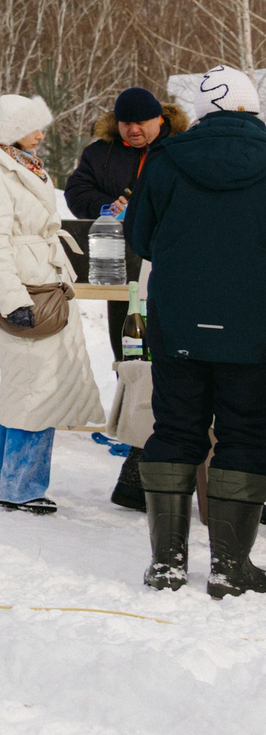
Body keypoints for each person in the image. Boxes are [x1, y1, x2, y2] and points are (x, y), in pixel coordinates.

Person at [126, 63, 266, 596]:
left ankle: (167, 564)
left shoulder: (166, 158)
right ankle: (230, 566)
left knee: (175, 428)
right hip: (254, 322)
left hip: (179, 317)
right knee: (245, 432)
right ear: (251, 108)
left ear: (204, 112)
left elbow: (140, 237)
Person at [0, 95, 102, 514]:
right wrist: (12, 301)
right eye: (33, 127)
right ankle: (21, 487)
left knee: (25, 388)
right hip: (27, 294)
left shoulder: (21, 166)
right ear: (11, 131)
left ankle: (2, 478)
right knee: (35, 390)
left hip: (41, 284)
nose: (41, 135)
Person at [65, 84, 185, 510]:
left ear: (160, 120)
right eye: (126, 123)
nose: (133, 130)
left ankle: (154, 437)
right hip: (119, 270)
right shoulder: (101, 153)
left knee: (166, 359)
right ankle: (131, 429)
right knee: (128, 354)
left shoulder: (178, 148)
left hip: (169, 269)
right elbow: (76, 191)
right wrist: (104, 206)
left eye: (141, 123)